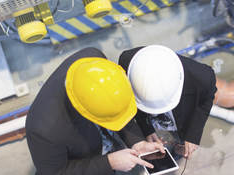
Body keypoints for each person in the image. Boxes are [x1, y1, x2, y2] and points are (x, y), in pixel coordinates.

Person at [25, 48, 164, 175]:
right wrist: (109, 163)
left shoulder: (96, 63)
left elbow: (116, 106)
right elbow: (56, 172)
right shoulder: (43, 129)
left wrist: (137, 143)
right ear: (82, 111)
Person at [118, 45, 217, 158]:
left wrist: (193, 135)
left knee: (181, 138)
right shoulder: (129, 63)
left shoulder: (203, 77)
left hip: (181, 119)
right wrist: (147, 130)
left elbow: (206, 101)